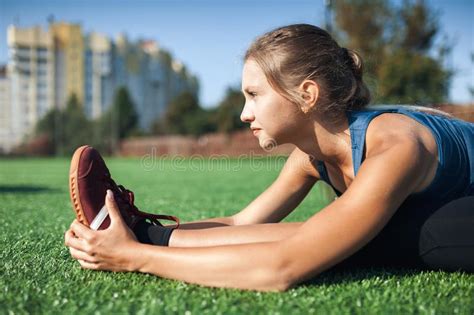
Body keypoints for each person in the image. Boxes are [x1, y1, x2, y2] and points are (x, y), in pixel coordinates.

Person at [64, 24, 474, 291]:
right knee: (335, 231)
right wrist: (144, 231)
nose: (244, 113)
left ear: (307, 95)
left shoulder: (395, 145)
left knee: (350, 239)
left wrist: (135, 257)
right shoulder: (310, 155)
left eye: (254, 95)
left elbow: (283, 267)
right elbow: (242, 223)